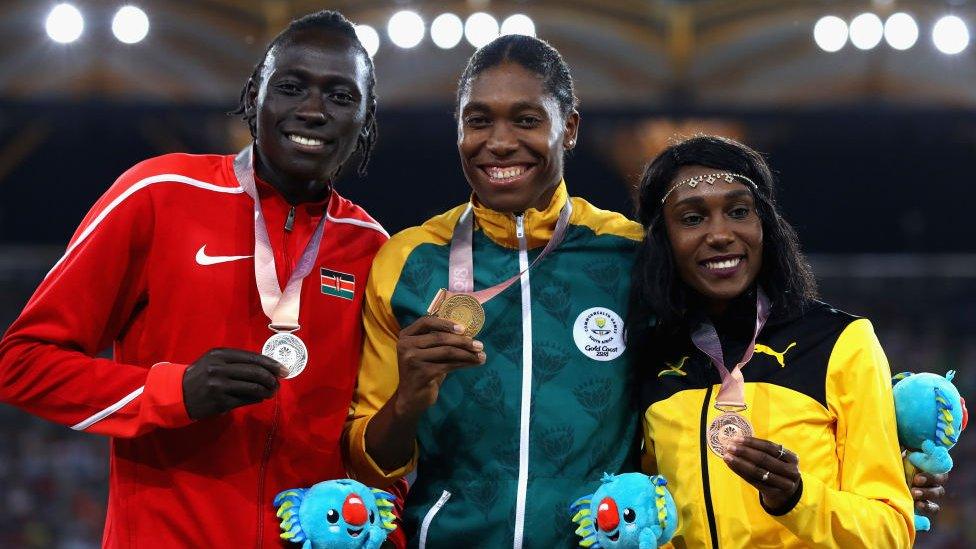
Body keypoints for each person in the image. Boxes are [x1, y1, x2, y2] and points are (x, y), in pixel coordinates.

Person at [0, 10, 394, 547]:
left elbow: (371, 441)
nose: (313, 110)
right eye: (292, 87)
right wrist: (173, 391)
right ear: (255, 96)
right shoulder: (159, 194)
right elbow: (21, 364)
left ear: (366, 121)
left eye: (341, 97)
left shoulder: (375, 250)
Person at [344, 35, 644, 547]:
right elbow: (372, 464)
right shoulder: (409, 260)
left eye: (526, 120)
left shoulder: (631, 255)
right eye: (478, 120)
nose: (499, 142)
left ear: (568, 128)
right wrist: (408, 400)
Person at [627, 134, 943, 547]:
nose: (721, 233)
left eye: (739, 211)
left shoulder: (839, 342)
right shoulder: (651, 359)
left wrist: (796, 497)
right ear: (662, 240)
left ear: (766, 225)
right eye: (692, 218)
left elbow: (889, 530)